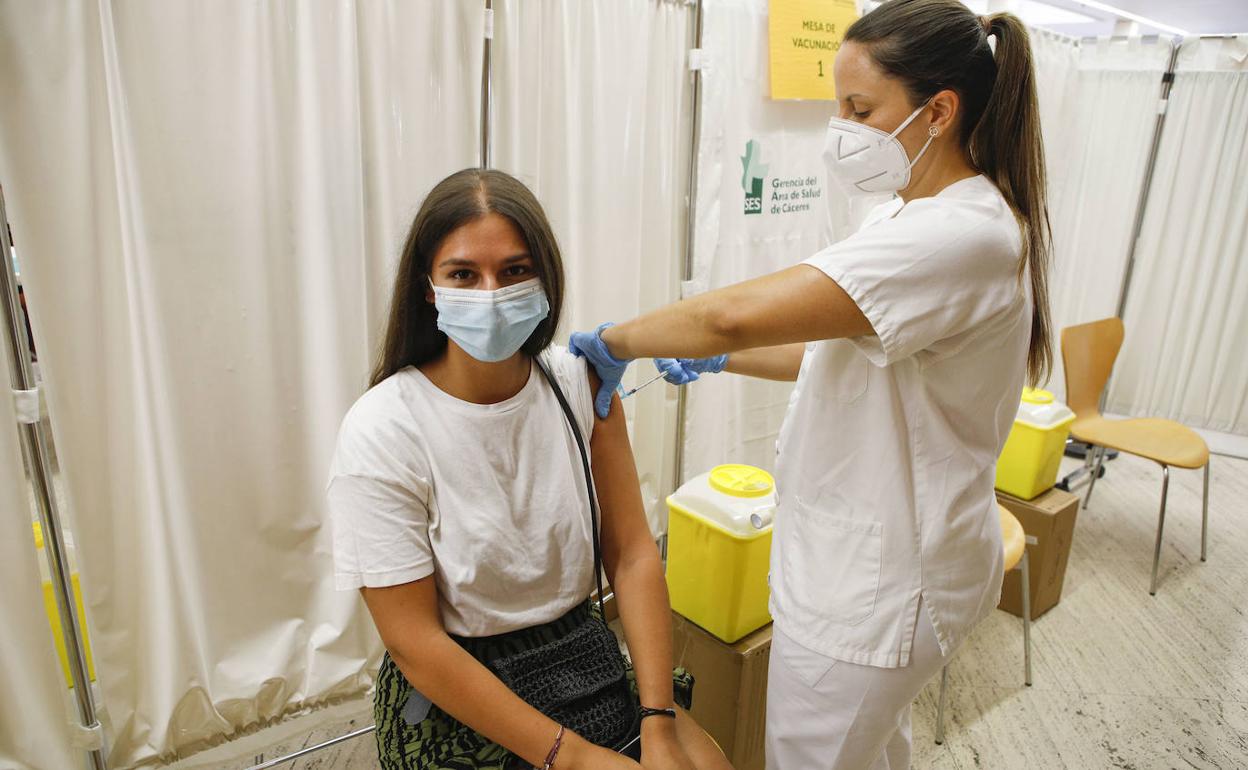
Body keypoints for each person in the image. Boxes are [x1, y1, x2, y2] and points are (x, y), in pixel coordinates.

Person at [569, 1, 1053, 767]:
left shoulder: (961, 233)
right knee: (872, 747)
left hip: (879, 588)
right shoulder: (903, 215)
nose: (841, 126)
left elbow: (730, 315)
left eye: (860, 109)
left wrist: (615, 343)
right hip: (863, 559)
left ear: (939, 111)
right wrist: (721, 362)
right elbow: (842, 352)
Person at [326, 169, 730, 770]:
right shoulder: (383, 428)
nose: (490, 293)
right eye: (464, 274)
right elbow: (414, 642)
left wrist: (658, 721)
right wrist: (576, 759)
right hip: (456, 684)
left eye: (515, 271)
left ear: (544, 279)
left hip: (579, 647)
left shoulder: (580, 383)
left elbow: (634, 553)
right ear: (430, 289)